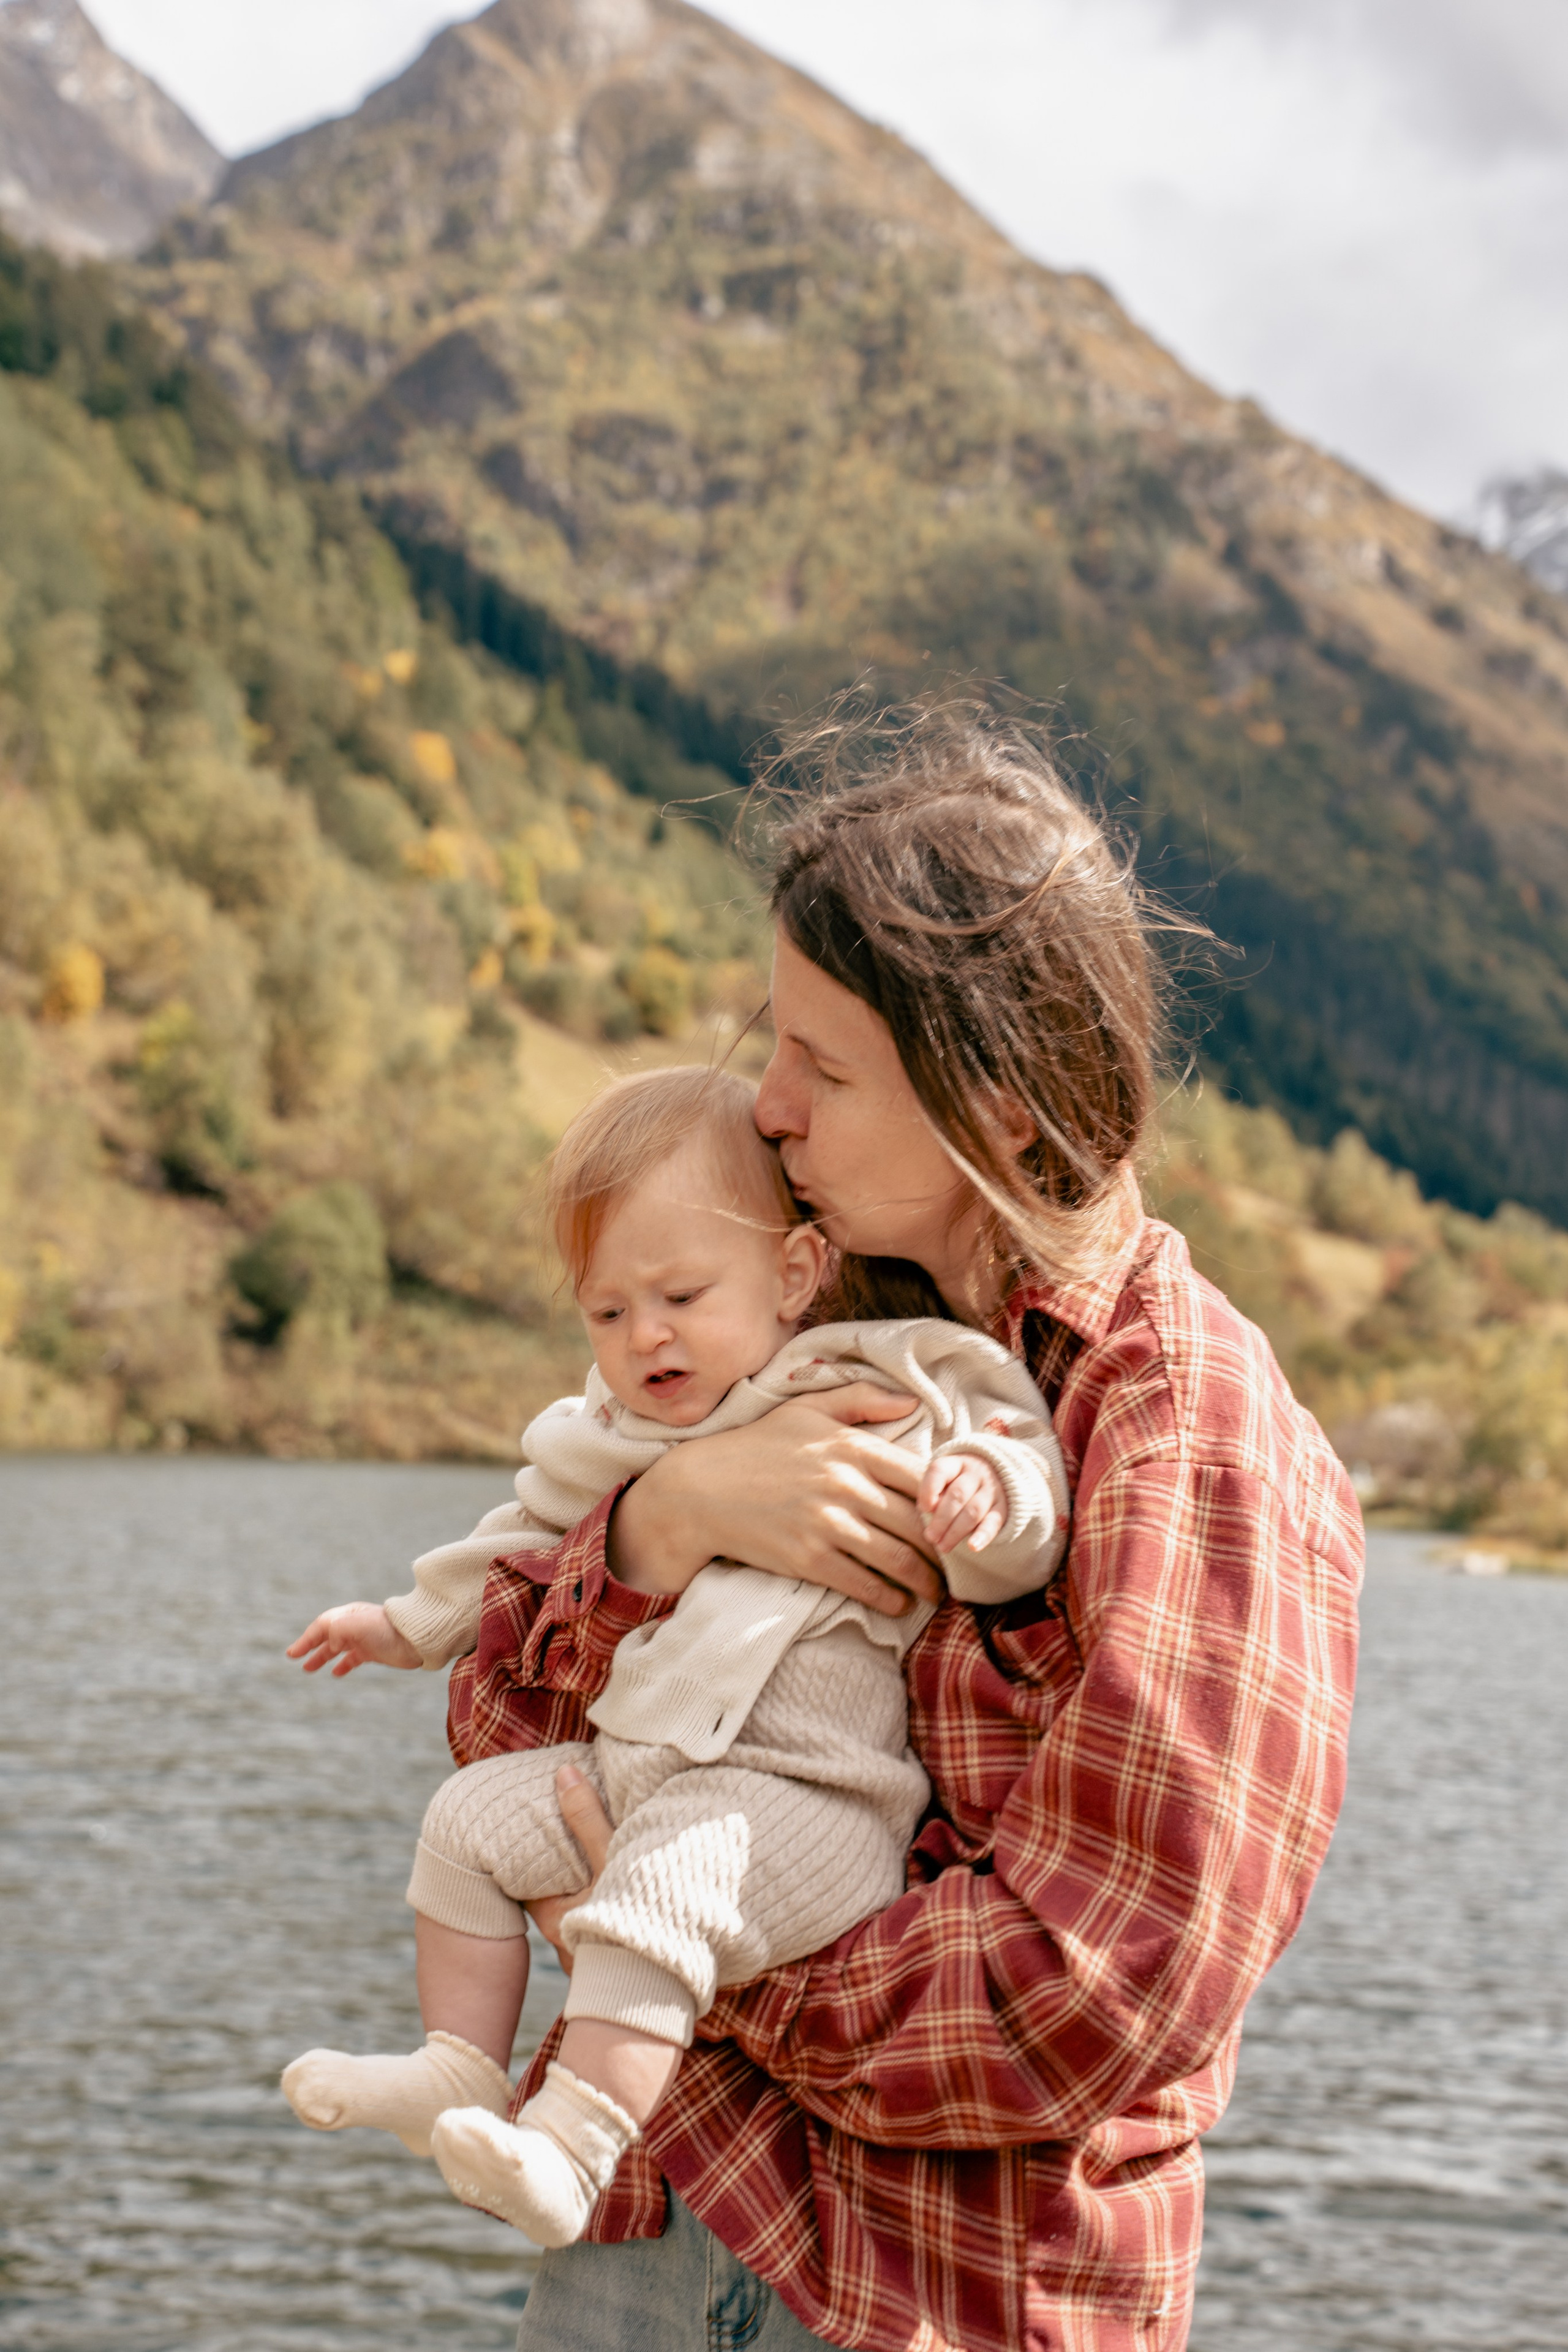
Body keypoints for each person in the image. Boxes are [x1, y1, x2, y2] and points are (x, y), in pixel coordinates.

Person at [444, 699, 1365, 2352]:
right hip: (654, 2219)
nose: (770, 1108)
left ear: (1002, 1099)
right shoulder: (799, 1331)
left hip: (935, 2302)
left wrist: (682, 1947)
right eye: (772, 1042)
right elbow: (495, 1726)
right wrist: (660, 1524)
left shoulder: (1194, 1438)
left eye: (825, 1065)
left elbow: (1094, 1989)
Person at [282, 1064, 1069, 2249]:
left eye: (683, 1295)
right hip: (641, 1773)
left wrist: (984, 1491)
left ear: (794, 1274)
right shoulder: (621, 1436)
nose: (646, 1335)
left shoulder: (874, 1377)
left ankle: (571, 2150)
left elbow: (1015, 1459)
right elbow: (516, 1548)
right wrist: (401, 1626)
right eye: (609, 1313)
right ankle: (461, 2067)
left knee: (660, 1887)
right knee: (467, 1823)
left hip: (806, 1798)